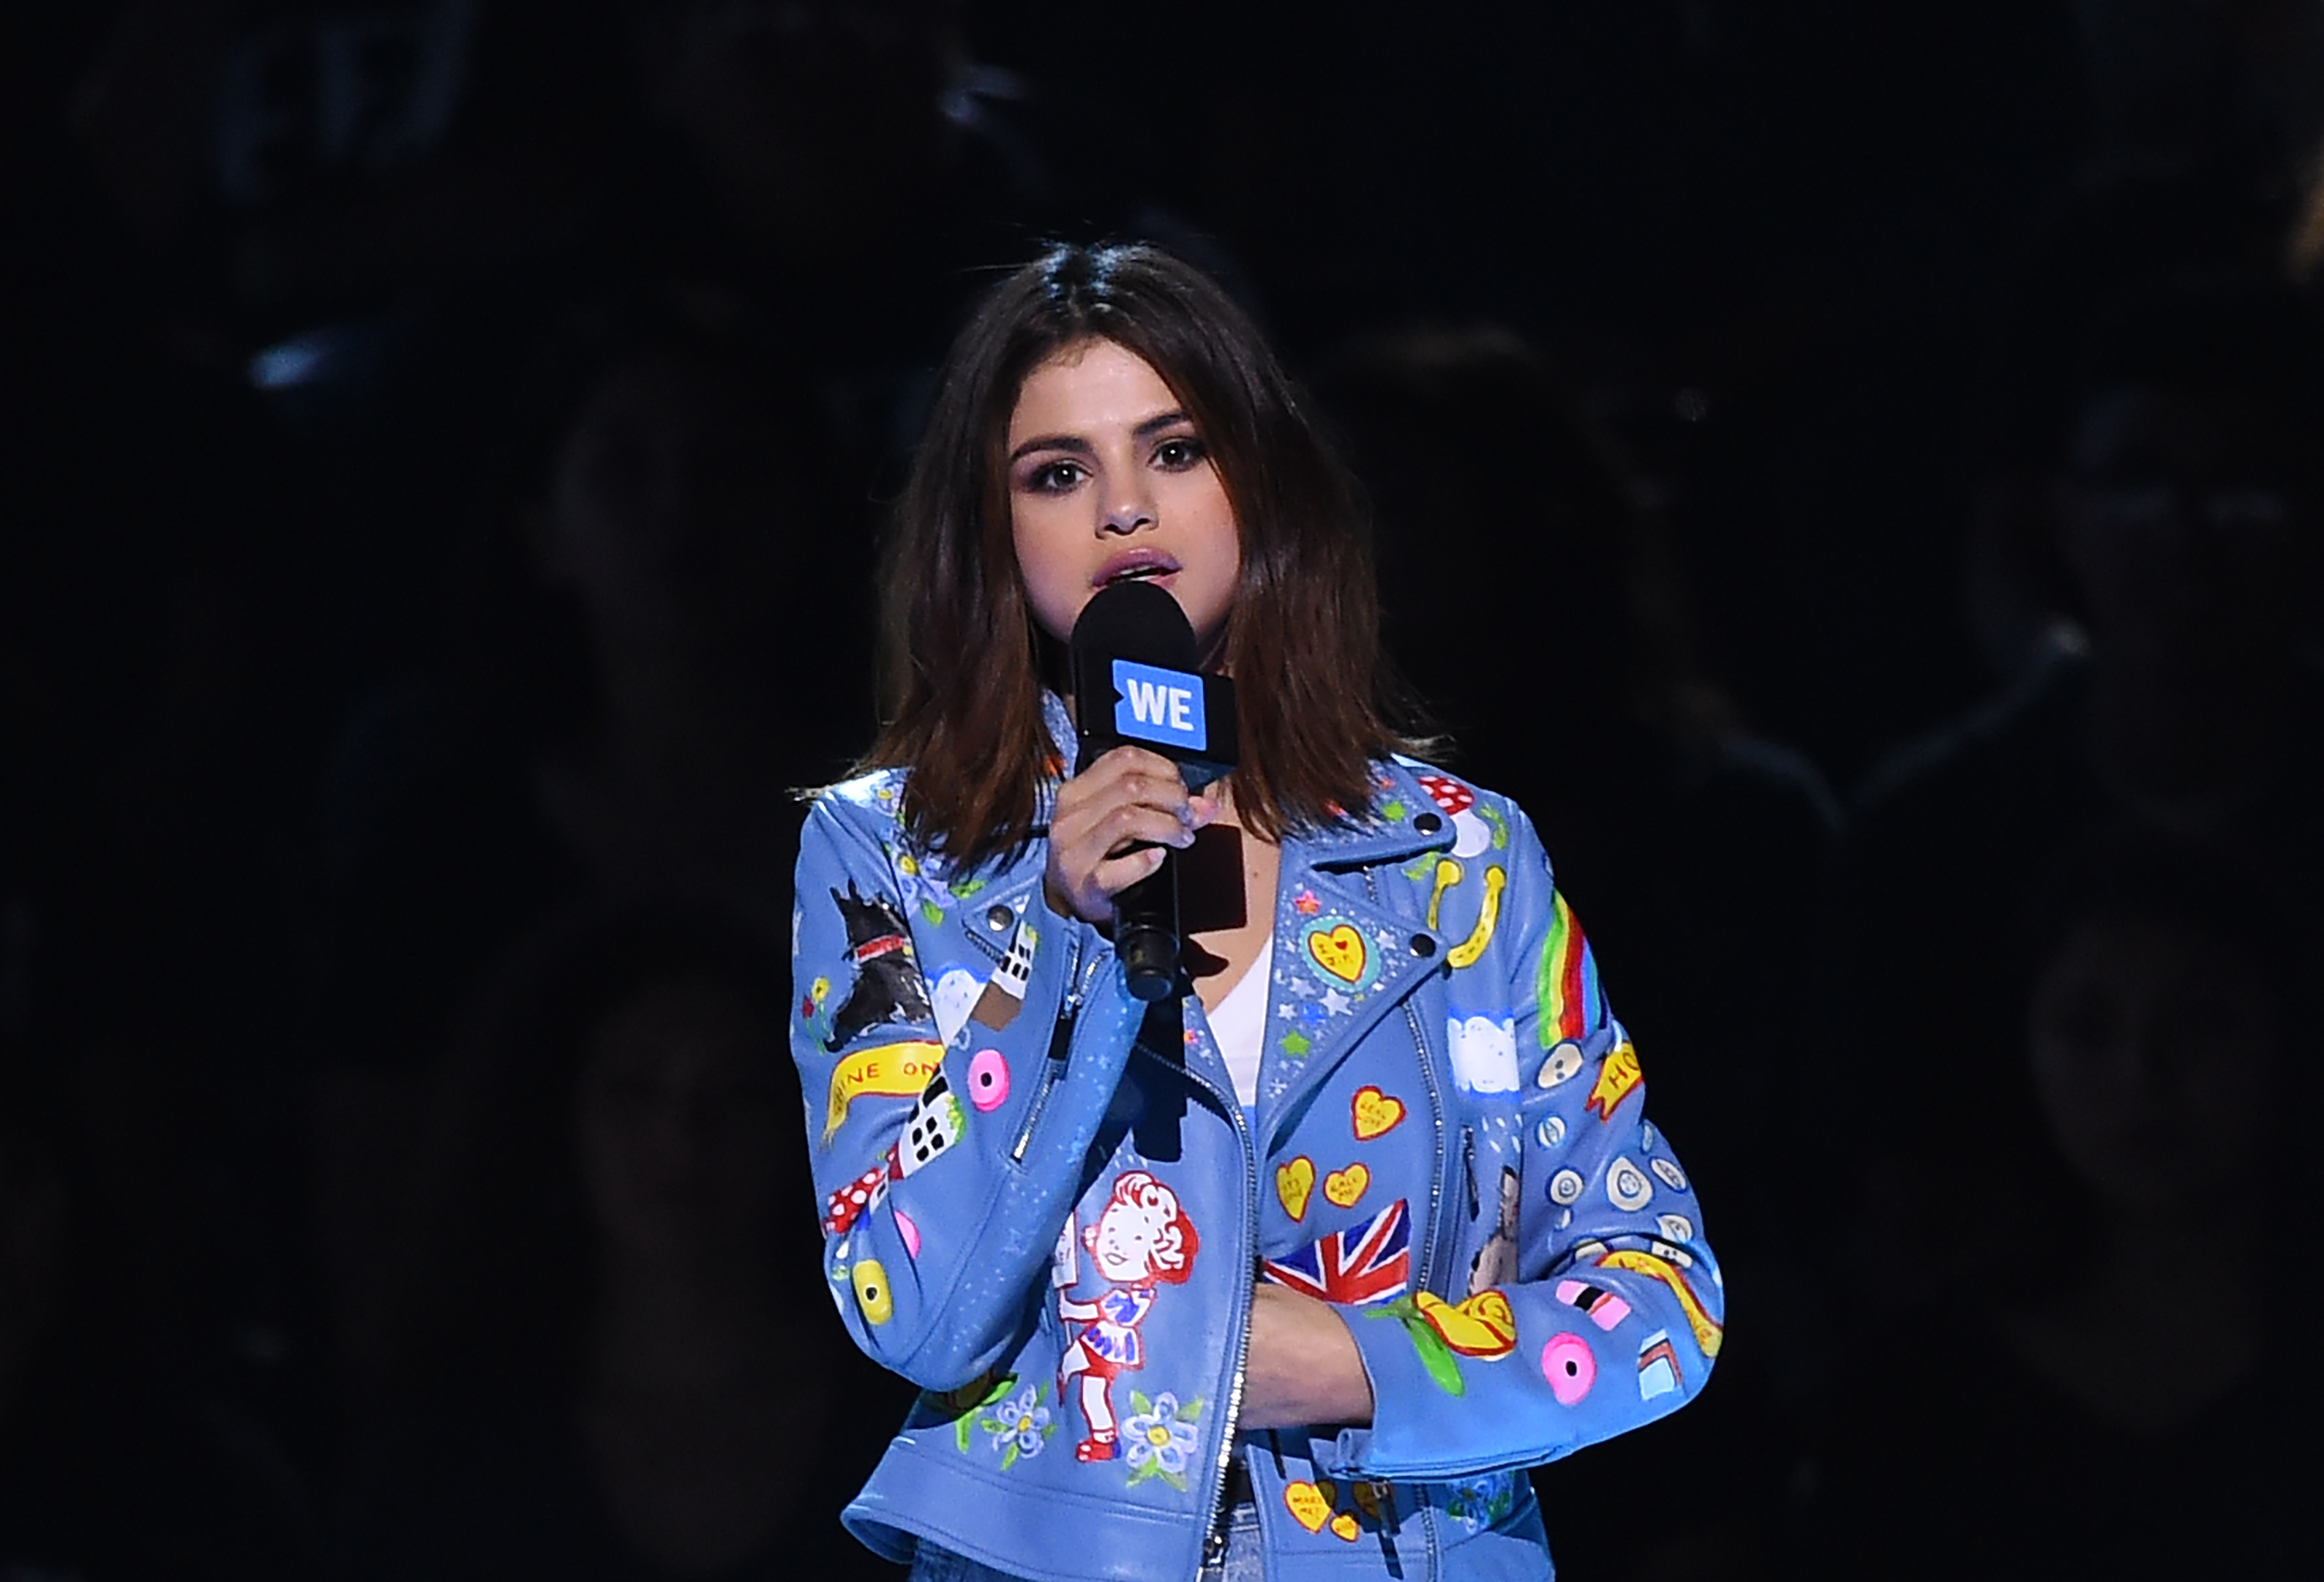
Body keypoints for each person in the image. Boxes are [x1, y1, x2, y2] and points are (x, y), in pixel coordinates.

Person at [792, 242, 1721, 1582]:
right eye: (1059, 473)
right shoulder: (892, 857)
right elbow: (917, 1309)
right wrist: (1065, 943)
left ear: (1258, 483)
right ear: (990, 532)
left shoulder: (1460, 858)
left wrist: (1346, 1360)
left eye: (1173, 450)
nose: (1124, 510)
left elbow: (1660, 1300)